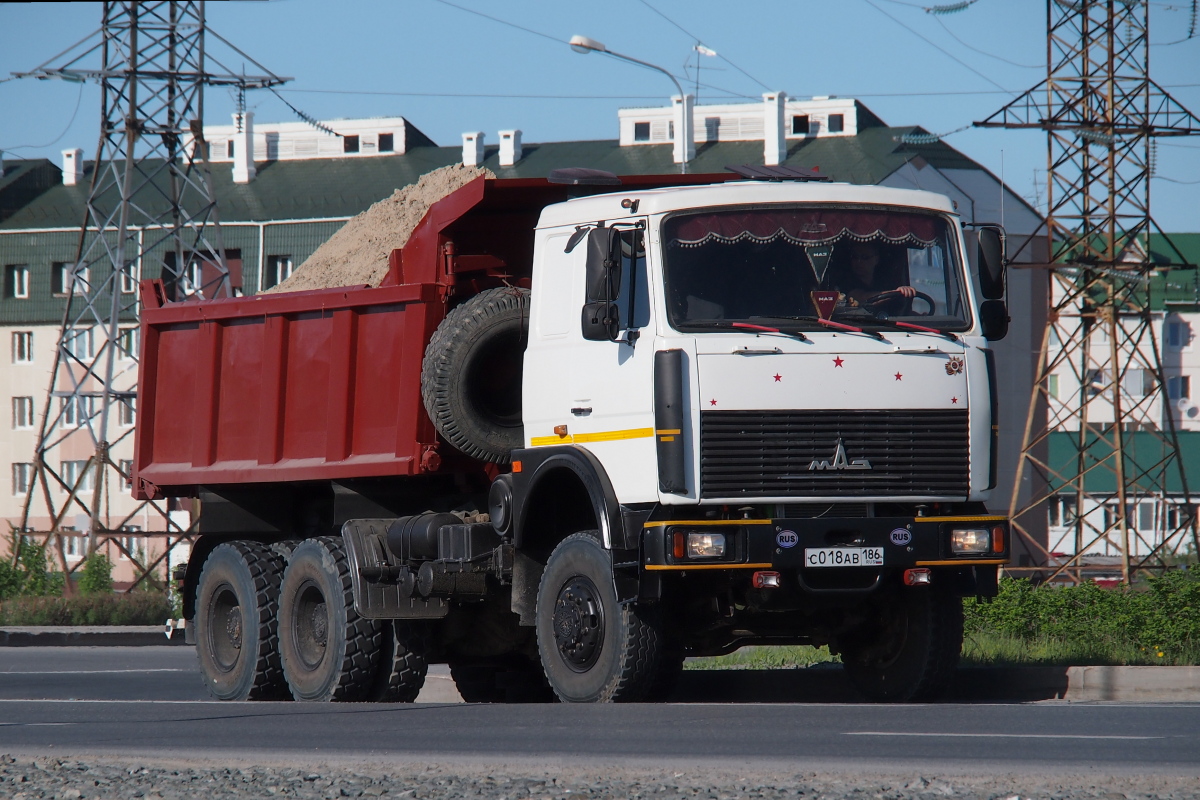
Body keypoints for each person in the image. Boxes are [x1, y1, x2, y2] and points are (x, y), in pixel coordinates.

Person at [835, 241, 916, 306]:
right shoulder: (845, 281)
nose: (858, 262)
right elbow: (860, 297)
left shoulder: (884, 281)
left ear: (876, 259)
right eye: (855, 257)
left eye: (865, 257)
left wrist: (904, 291)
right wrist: (896, 293)